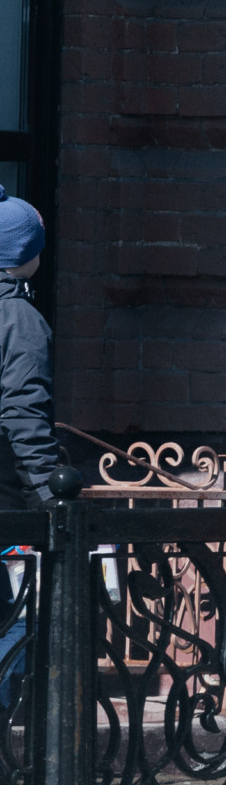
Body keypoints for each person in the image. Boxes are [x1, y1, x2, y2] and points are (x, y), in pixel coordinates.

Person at [0, 187, 56, 714]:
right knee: (11, 620)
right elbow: (23, 415)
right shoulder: (18, 320)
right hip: (5, 506)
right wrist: (49, 494)